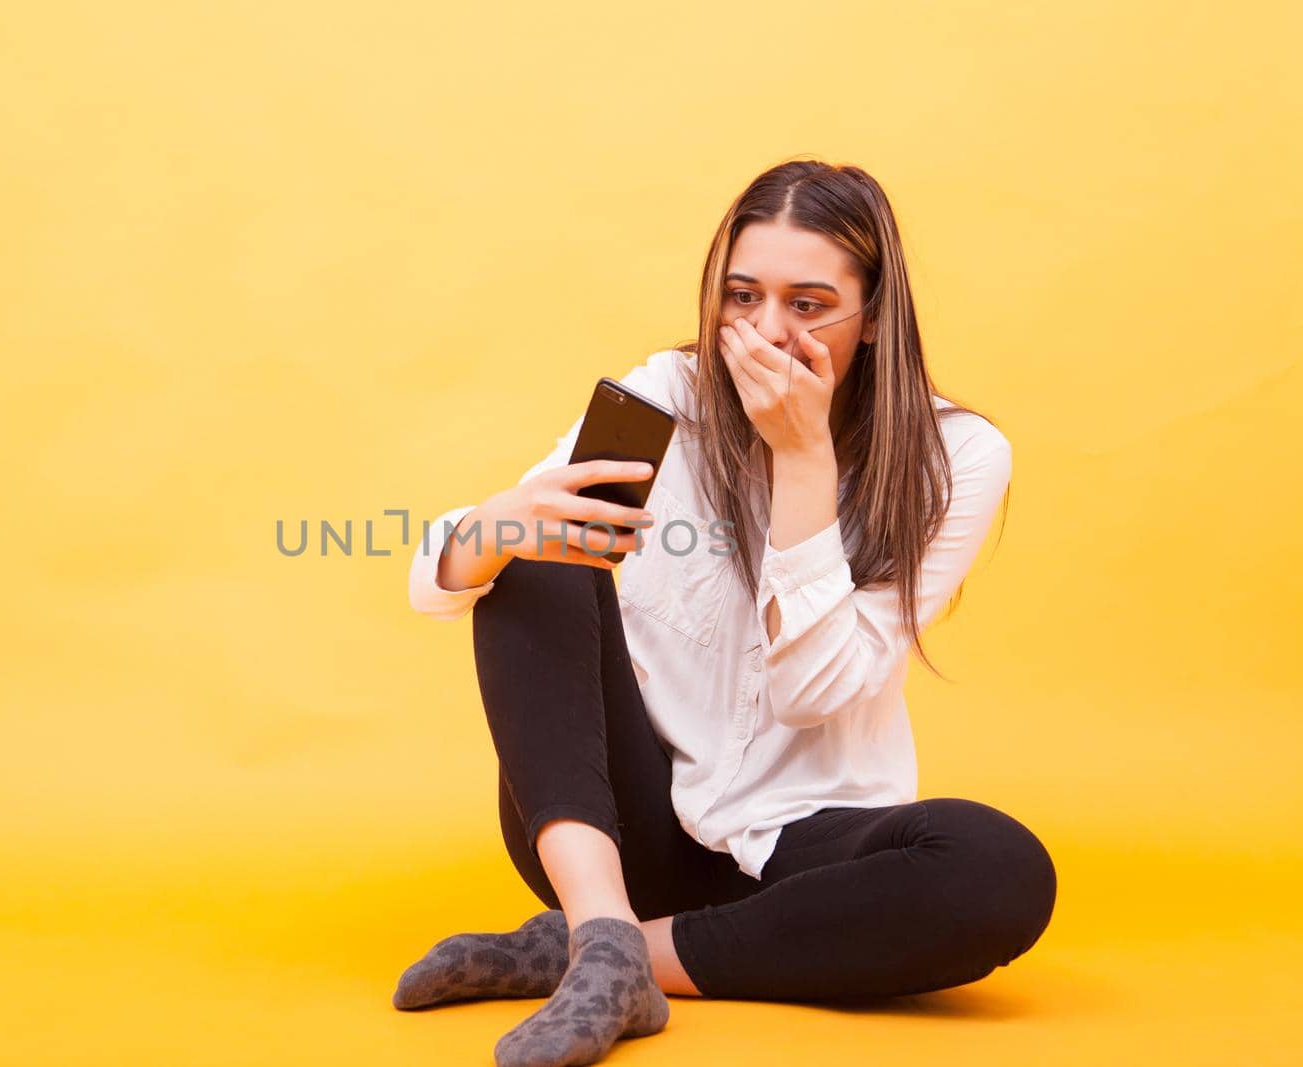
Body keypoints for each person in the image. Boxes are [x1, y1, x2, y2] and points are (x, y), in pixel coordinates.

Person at [393, 159, 1057, 1067]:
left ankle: (606, 953)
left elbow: (818, 691)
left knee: (995, 868)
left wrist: (805, 460)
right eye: (743, 296)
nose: (767, 331)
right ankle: (602, 921)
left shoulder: (958, 455)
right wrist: (500, 521)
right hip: (623, 832)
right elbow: (441, 578)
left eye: (809, 303)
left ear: (873, 318)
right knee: (535, 553)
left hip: (807, 844)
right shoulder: (667, 395)